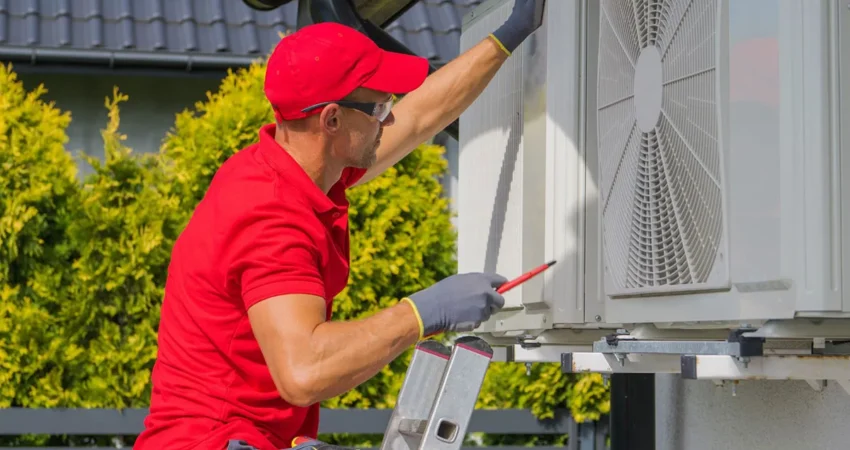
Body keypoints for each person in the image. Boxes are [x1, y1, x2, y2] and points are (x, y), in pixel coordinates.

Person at [133, 1, 545, 449]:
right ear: (331, 119)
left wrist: (510, 34)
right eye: (378, 107)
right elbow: (304, 371)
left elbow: (420, 116)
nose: (388, 116)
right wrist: (421, 313)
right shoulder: (270, 217)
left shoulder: (294, 168)